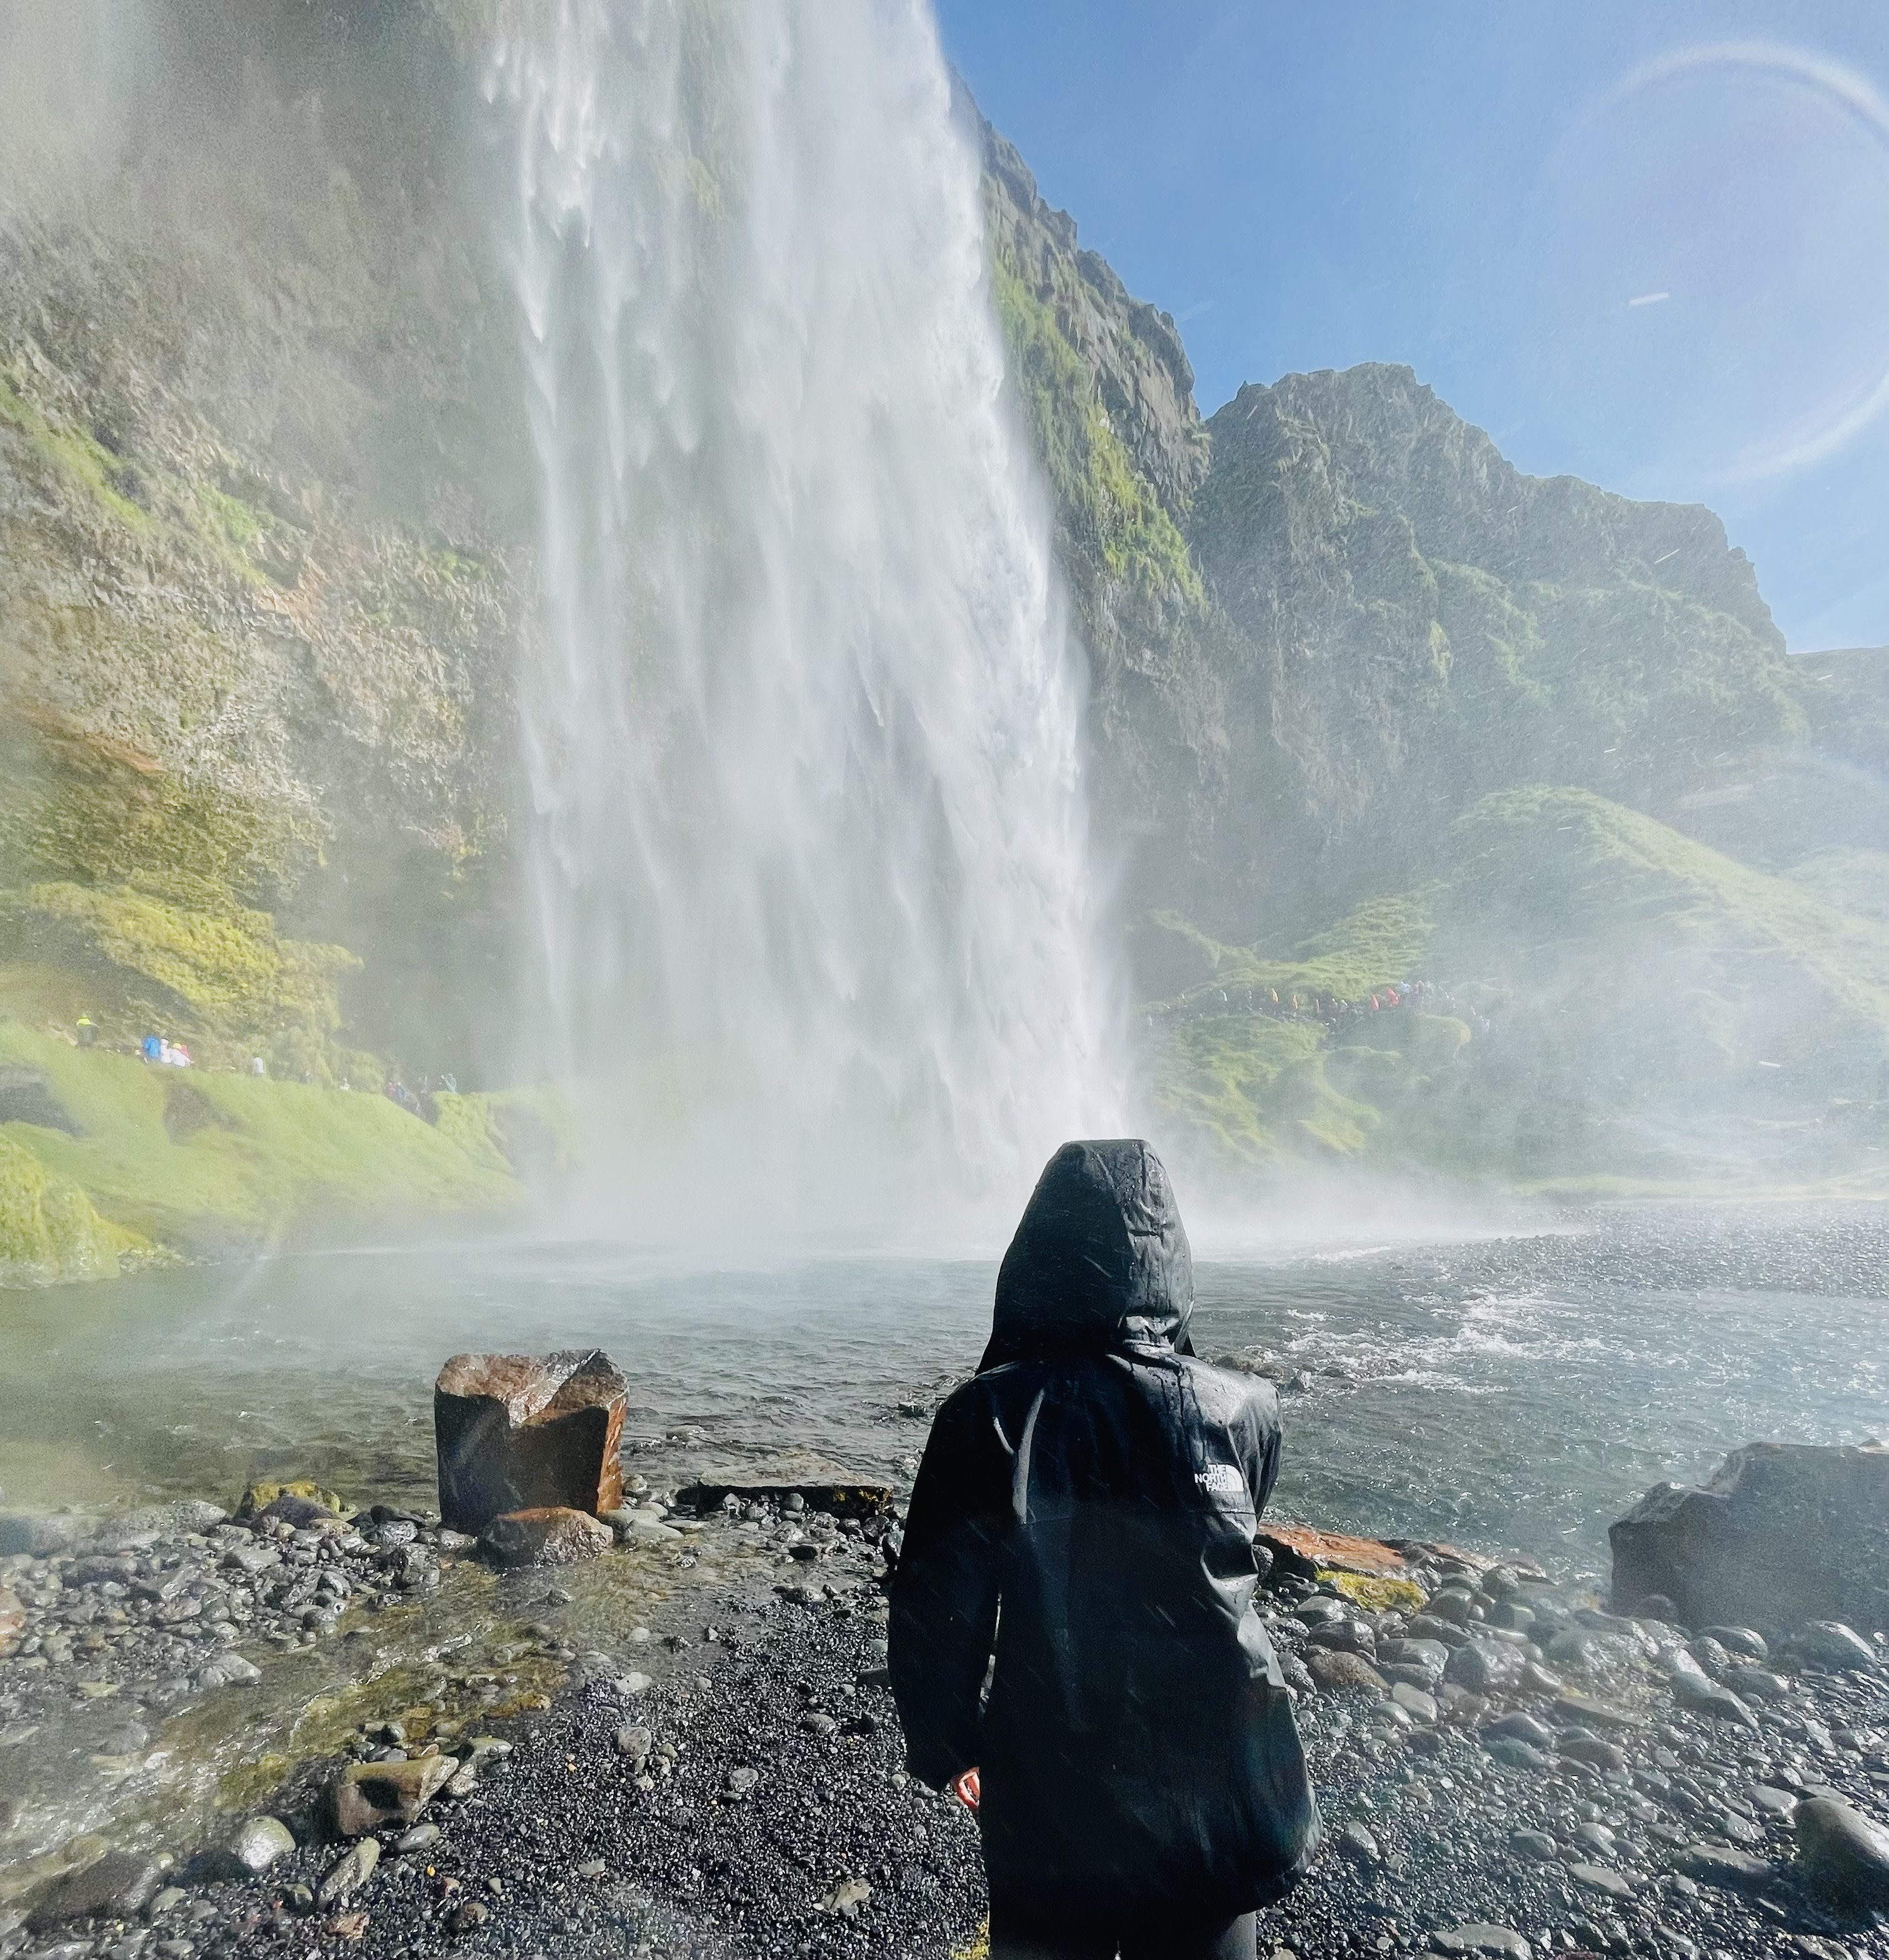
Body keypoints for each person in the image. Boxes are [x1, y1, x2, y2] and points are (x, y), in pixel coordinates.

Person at [890, 1139, 1320, 1960]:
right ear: (1172, 1261)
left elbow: (937, 1608)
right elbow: (1228, 1554)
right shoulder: (1247, 1408)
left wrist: (948, 1746)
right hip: (1224, 1775)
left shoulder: (988, 1416)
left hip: (1058, 1782)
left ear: (1037, 1256)